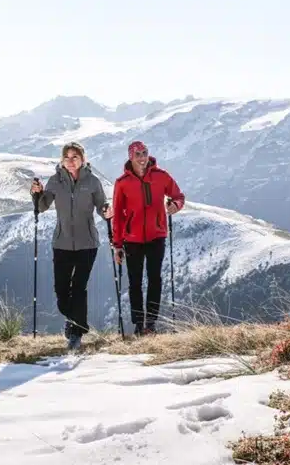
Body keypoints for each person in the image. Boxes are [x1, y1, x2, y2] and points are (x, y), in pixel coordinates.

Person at [30, 141, 113, 349]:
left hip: (88, 243)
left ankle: (77, 331)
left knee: (78, 288)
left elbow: (101, 206)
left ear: (82, 159)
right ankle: (77, 321)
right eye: (66, 157)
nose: (70, 161)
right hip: (62, 243)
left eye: (74, 157)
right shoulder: (55, 181)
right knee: (61, 290)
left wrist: (106, 211)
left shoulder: (92, 182)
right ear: (62, 160)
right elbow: (42, 206)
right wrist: (36, 193)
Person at [112, 140, 184, 336]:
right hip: (132, 240)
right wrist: (117, 245)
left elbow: (178, 196)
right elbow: (117, 215)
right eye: (138, 154)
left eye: (144, 153)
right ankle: (138, 323)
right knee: (135, 282)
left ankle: (151, 324)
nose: (142, 157)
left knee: (155, 279)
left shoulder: (161, 176)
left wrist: (175, 205)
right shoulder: (122, 183)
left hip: (156, 236)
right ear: (130, 157)